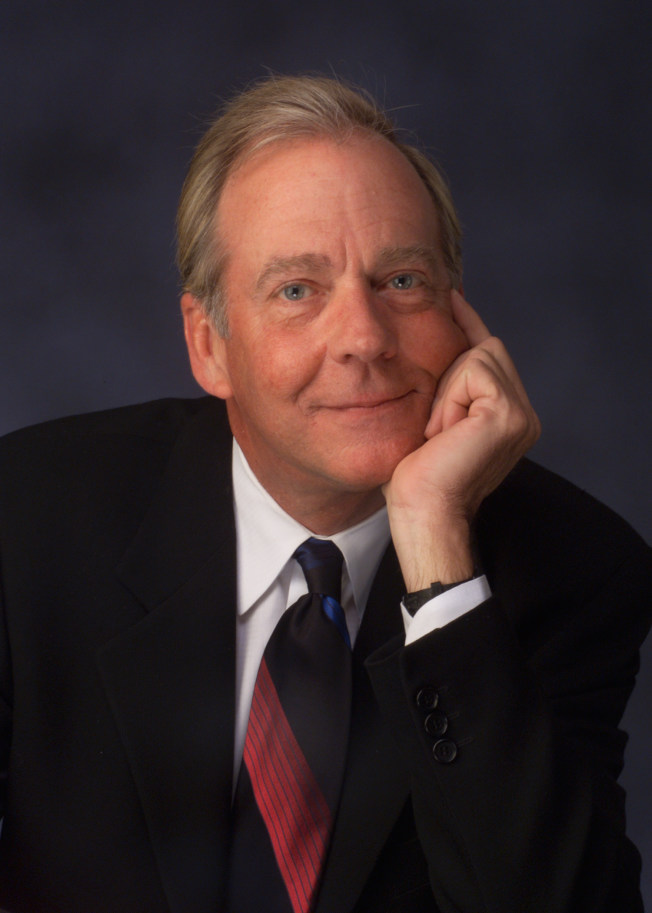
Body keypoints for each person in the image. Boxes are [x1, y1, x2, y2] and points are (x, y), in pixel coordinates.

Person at [0, 75, 650, 913]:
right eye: (297, 291)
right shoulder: (28, 517)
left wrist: (438, 555)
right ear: (209, 345)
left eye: (402, 280)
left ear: (461, 316)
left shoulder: (578, 571)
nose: (364, 338)